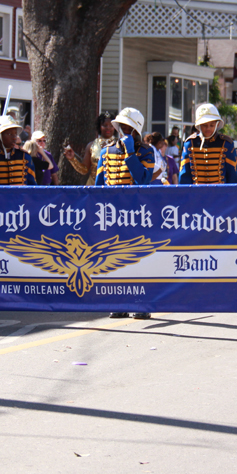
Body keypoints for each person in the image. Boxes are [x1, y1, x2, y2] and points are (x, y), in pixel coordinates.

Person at [94, 107, 155, 319]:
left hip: (137, 213)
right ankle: (119, 301)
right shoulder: (107, 151)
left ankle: (142, 303)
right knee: (115, 258)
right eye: (122, 127)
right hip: (112, 213)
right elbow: (99, 185)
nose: (124, 131)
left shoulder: (146, 151)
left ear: (136, 130)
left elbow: (143, 180)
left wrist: (130, 154)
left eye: (129, 128)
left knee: (138, 258)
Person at [179, 103, 237, 185]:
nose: (208, 128)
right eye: (204, 125)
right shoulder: (190, 143)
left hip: (220, 196)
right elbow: (184, 176)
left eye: (212, 125)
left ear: (217, 124)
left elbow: (232, 176)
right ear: (199, 125)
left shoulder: (226, 144)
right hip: (196, 195)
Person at [0, 116, 37, 186]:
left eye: (15, 133)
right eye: (9, 134)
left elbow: (33, 187)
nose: (14, 137)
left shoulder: (25, 157)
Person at [64, 111, 116, 185]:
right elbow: (84, 170)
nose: (108, 128)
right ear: (99, 127)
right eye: (105, 125)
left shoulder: (120, 144)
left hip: (114, 185)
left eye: (111, 125)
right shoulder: (91, 146)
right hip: (94, 186)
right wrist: (72, 159)